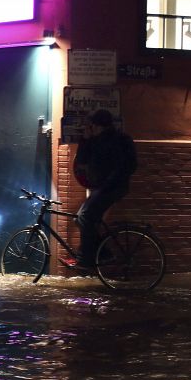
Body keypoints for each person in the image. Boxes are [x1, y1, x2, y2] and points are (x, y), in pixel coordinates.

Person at [72, 108, 137, 268]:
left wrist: (109, 182)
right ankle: (104, 253)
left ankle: (86, 260)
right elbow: (81, 161)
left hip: (111, 187)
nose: (90, 128)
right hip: (102, 187)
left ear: (97, 125)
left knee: (85, 217)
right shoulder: (95, 140)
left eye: (91, 125)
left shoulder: (120, 140)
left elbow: (129, 165)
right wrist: (85, 140)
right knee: (80, 219)